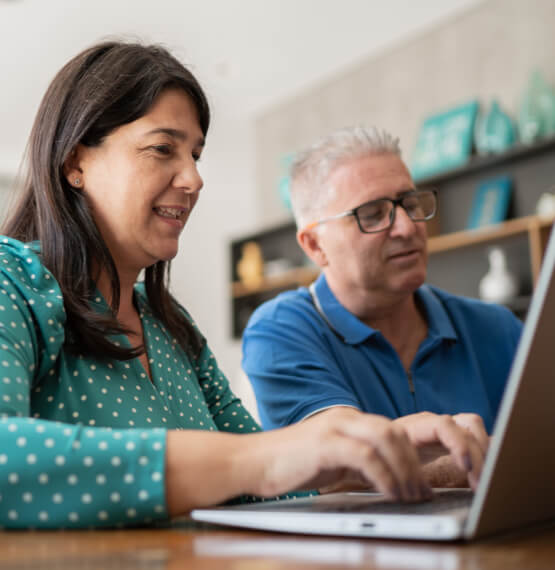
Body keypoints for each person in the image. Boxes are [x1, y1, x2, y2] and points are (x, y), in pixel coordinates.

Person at [0, 42, 487, 530]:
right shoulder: (13, 281)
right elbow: (257, 462)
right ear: (74, 164)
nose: (193, 178)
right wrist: (259, 460)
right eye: (163, 148)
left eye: (195, 154)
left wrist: (386, 447)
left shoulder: (172, 329)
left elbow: (265, 484)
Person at [242, 126, 522, 484]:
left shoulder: (498, 328)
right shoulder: (280, 331)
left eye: (409, 203)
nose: (406, 227)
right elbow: (339, 470)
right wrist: (492, 457)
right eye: (372, 214)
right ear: (314, 245)